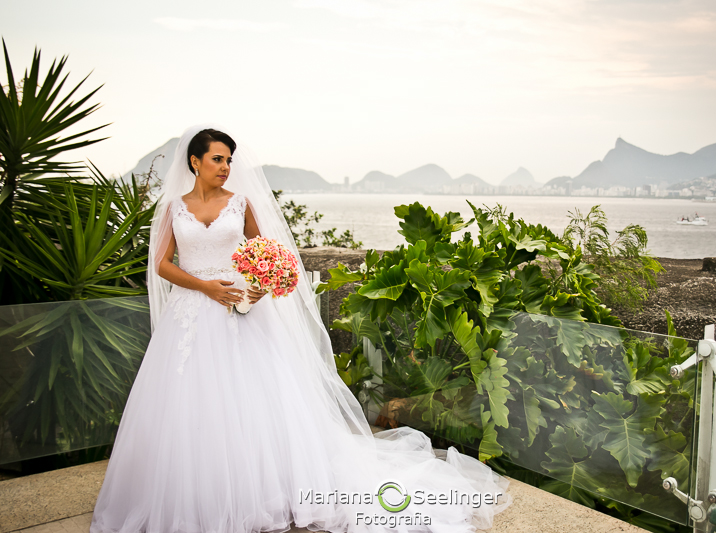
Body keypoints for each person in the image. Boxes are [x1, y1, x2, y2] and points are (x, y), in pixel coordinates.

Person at [89, 124, 511, 533]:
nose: (225, 167)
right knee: (189, 404)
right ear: (195, 161)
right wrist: (205, 287)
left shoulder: (240, 204)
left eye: (230, 160)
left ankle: (268, 490)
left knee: (254, 402)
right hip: (190, 316)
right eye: (218, 159)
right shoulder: (173, 208)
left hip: (241, 310)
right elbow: (162, 264)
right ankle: (200, 495)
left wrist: (256, 288)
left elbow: (269, 255)